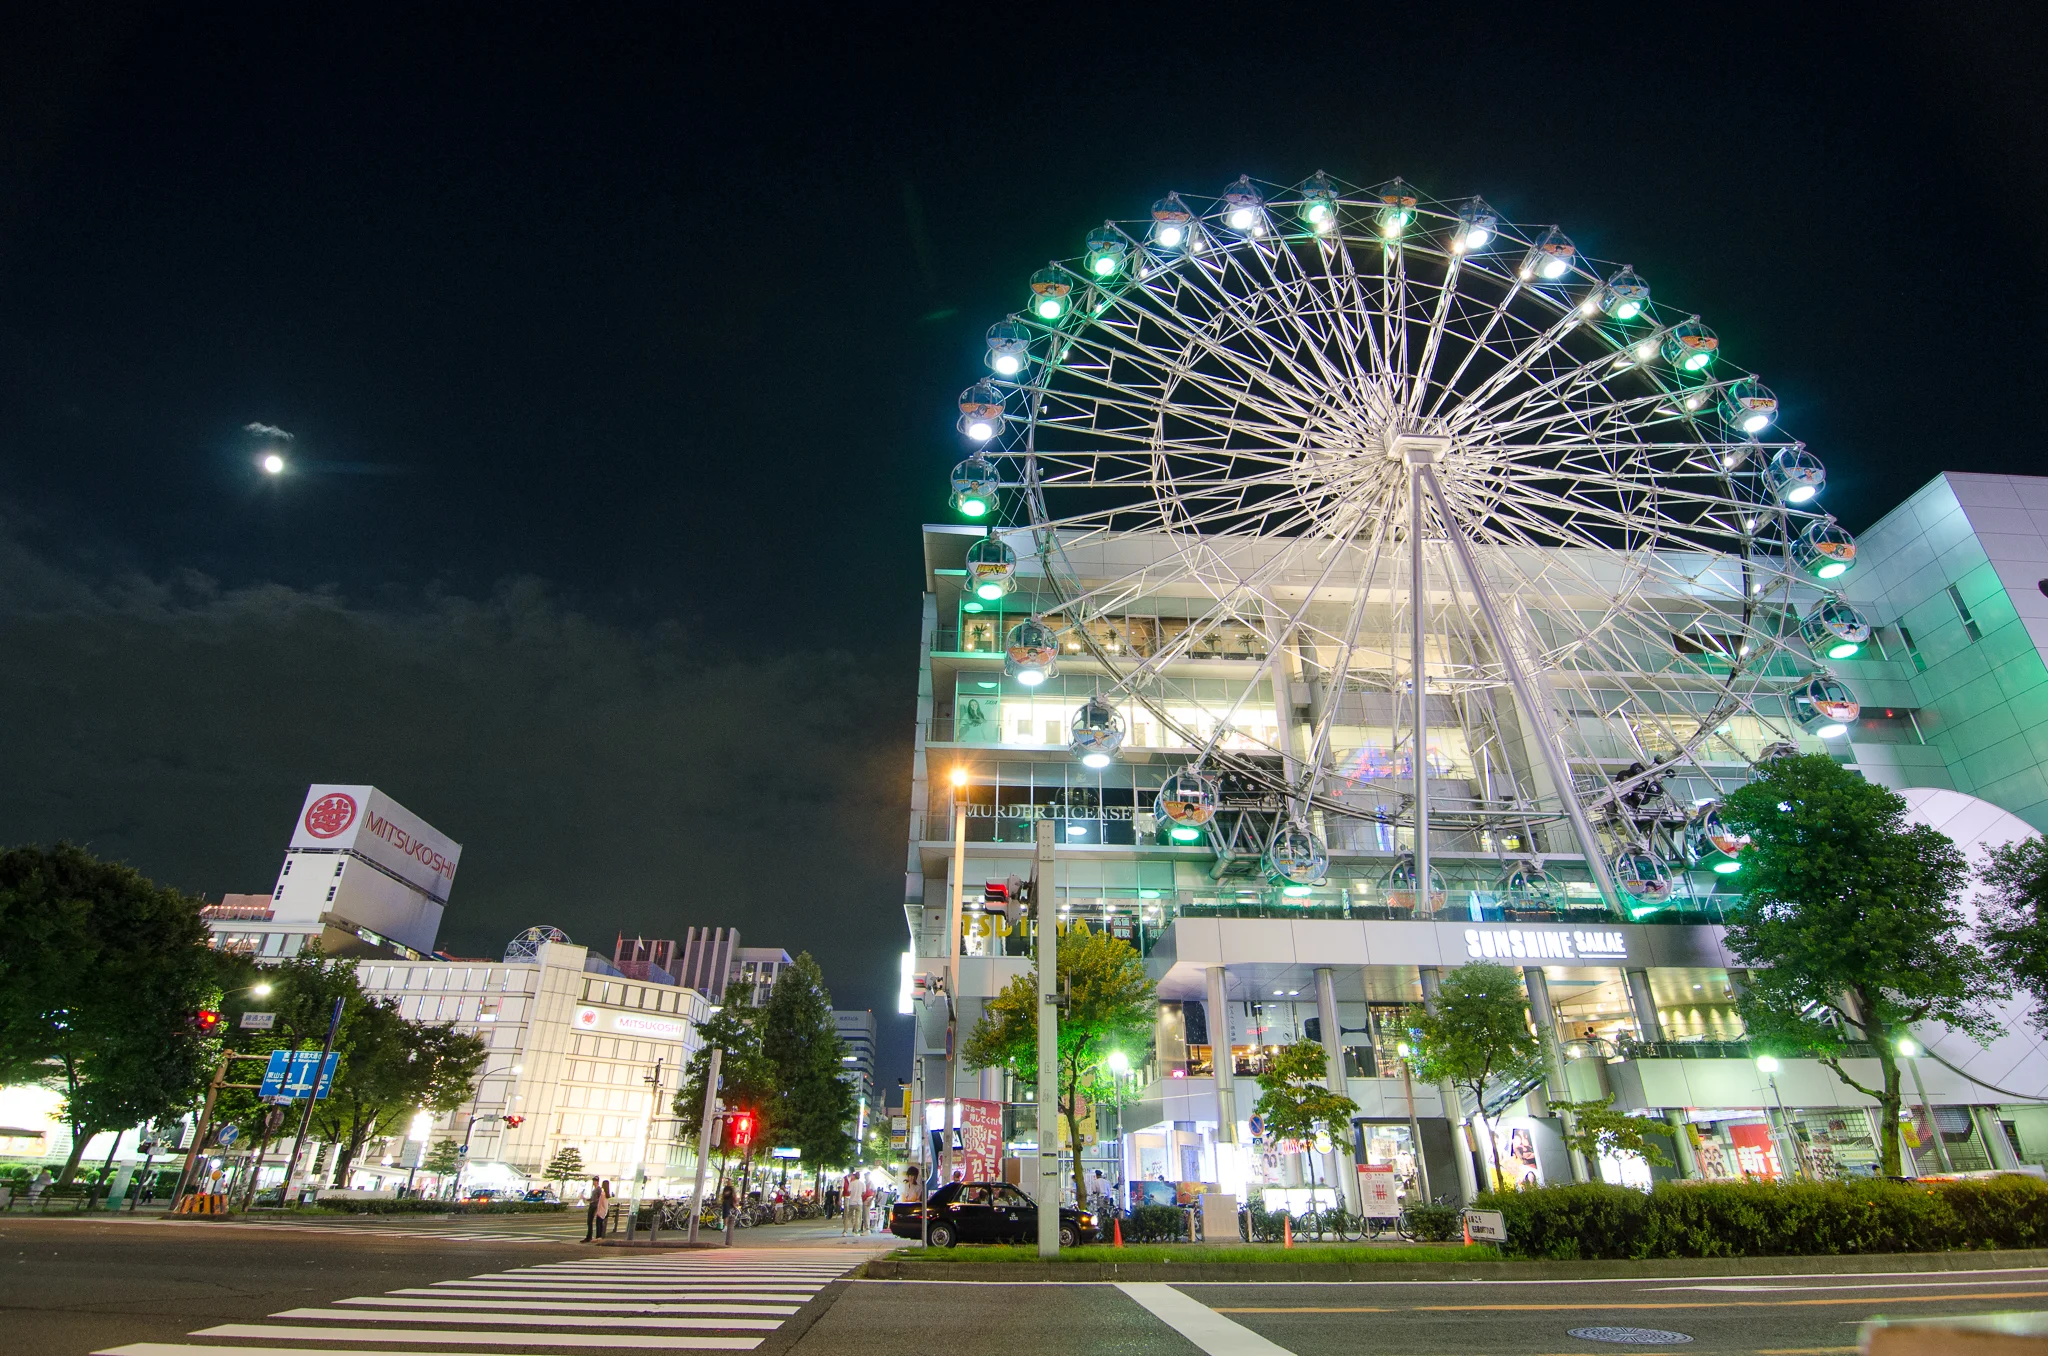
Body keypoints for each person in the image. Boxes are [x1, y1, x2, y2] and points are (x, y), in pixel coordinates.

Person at [582, 1175, 603, 1242]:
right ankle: (589, 1236)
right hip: (592, 1205)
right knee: (589, 1221)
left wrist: (595, 1203)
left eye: (595, 1181)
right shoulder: (594, 1189)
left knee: (590, 1221)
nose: (594, 1182)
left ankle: (590, 1236)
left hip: (595, 1206)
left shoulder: (599, 1189)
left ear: (597, 1182)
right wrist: (587, 1199)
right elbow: (593, 1198)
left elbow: (600, 1199)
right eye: (593, 1181)